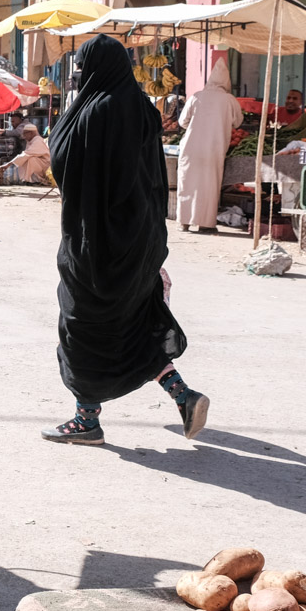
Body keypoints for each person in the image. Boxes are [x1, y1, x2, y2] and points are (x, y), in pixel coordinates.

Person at [41, 36, 203, 446]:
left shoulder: (93, 111)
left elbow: (59, 162)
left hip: (96, 244)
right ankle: (183, 396)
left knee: (80, 327)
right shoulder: (145, 111)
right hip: (143, 241)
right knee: (135, 324)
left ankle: (85, 419)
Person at [176, 60, 243, 232]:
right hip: (214, 149)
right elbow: (238, 122)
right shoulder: (229, 100)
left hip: (190, 148)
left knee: (188, 183)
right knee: (209, 186)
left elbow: (182, 122)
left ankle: (184, 222)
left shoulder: (196, 96)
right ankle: (205, 224)